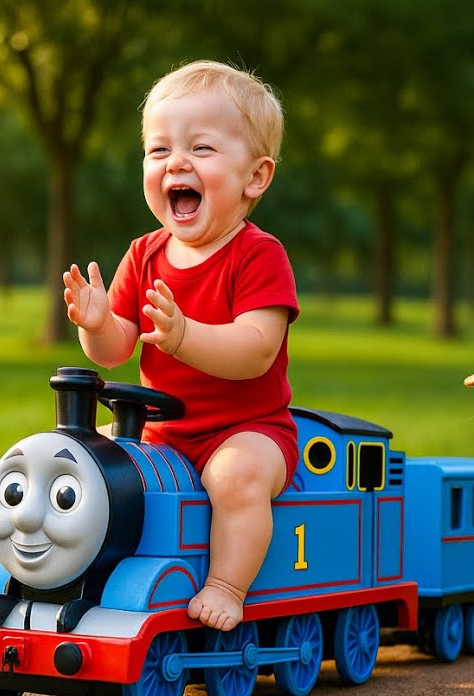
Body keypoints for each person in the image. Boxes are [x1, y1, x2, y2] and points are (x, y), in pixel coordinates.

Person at [63, 60, 298, 632]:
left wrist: (186, 336)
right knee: (105, 480)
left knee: (235, 478)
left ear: (255, 177)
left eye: (202, 148)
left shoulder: (258, 255)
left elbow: (256, 349)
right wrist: (96, 324)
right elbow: (117, 347)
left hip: (250, 428)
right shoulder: (144, 253)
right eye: (159, 150)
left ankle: (226, 585)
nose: (177, 163)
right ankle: (99, 583)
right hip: (162, 432)